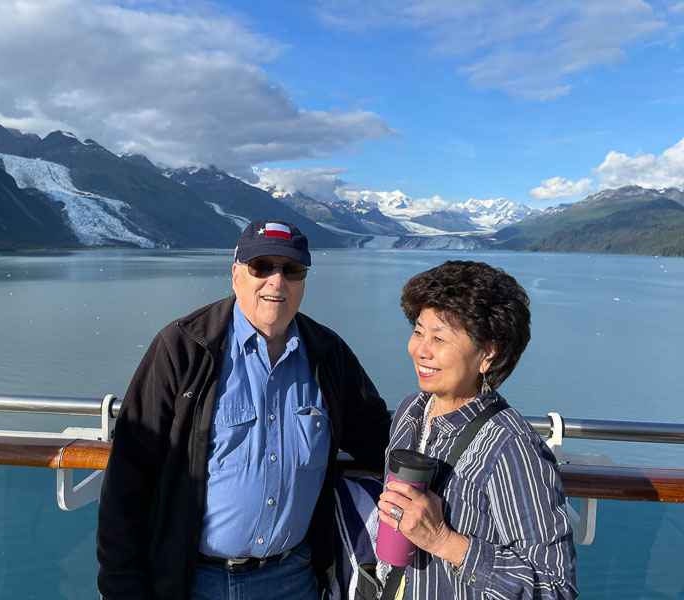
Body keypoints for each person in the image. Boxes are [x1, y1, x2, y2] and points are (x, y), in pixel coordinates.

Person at [96, 219, 391, 600]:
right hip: (192, 581)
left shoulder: (329, 356)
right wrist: (123, 588)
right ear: (236, 275)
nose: (276, 281)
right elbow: (127, 480)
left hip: (294, 579)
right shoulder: (184, 350)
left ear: (303, 280)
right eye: (262, 267)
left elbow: (380, 438)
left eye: (291, 269)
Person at [376, 260, 578, 599]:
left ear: (487, 354)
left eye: (439, 337)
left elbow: (556, 587)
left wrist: (445, 541)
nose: (420, 349)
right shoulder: (412, 411)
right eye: (418, 331)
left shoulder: (510, 448)